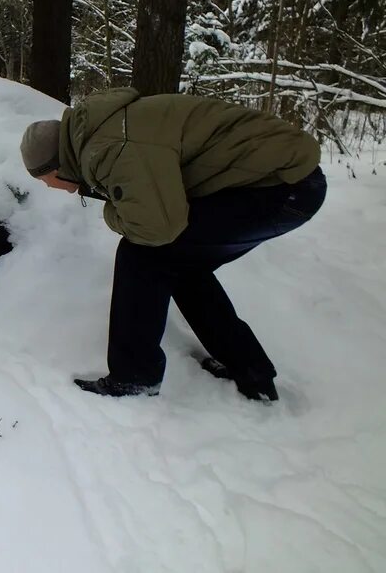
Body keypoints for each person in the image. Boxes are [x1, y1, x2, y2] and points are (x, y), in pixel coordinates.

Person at [20, 87, 326, 401]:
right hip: (283, 183)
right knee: (181, 264)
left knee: (141, 254)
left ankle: (134, 377)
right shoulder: (103, 133)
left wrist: (112, 213)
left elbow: (157, 228)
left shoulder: (109, 148)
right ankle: (250, 371)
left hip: (283, 186)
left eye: (45, 181)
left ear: (55, 167)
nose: (52, 188)